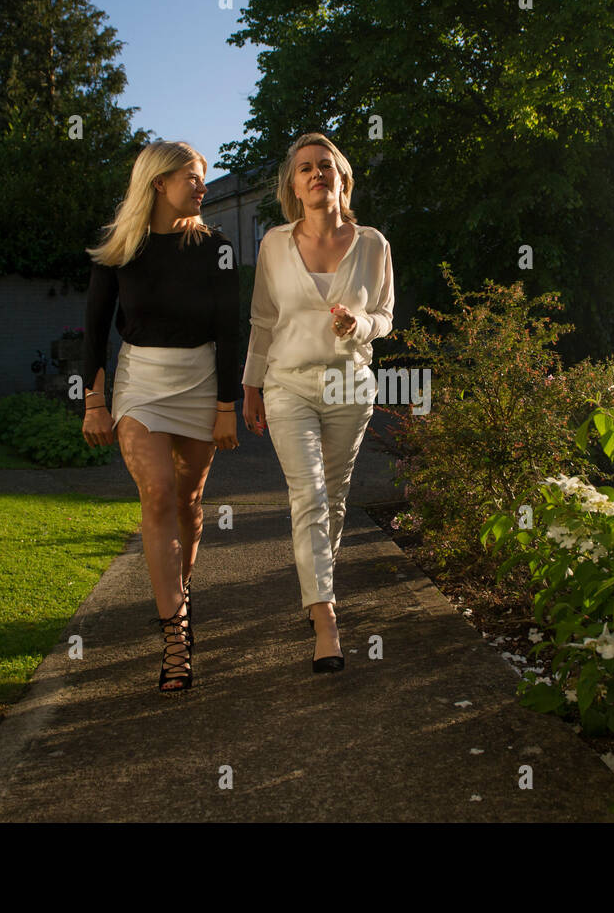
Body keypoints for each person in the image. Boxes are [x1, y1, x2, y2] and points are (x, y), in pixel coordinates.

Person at [81, 140, 240, 693]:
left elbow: (231, 331)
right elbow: (95, 329)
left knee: (188, 502)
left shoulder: (216, 248)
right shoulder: (122, 248)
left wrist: (226, 407)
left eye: (203, 176)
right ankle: (175, 633)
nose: (202, 186)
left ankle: (179, 593)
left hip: (199, 382)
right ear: (158, 183)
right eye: (192, 178)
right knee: (156, 494)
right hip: (140, 383)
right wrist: (94, 402)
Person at [242, 132, 395, 674]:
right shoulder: (273, 245)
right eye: (305, 167)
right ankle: (326, 617)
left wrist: (361, 325)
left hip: (348, 386)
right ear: (293, 185)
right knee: (308, 494)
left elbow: (386, 316)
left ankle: (317, 591)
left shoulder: (373, 243)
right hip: (288, 383)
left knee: (334, 494)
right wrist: (251, 385)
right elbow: (263, 320)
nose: (316, 174)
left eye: (325, 165)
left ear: (342, 177)